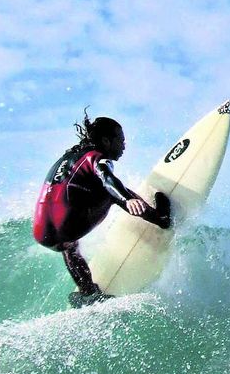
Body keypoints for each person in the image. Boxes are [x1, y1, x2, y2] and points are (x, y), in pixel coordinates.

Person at [33, 112, 171, 304]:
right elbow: (107, 179)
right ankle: (161, 219)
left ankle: (88, 291)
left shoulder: (69, 157)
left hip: (42, 232)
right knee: (111, 191)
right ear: (106, 141)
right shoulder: (96, 158)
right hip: (67, 226)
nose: (124, 146)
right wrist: (126, 200)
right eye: (120, 140)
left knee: (70, 245)